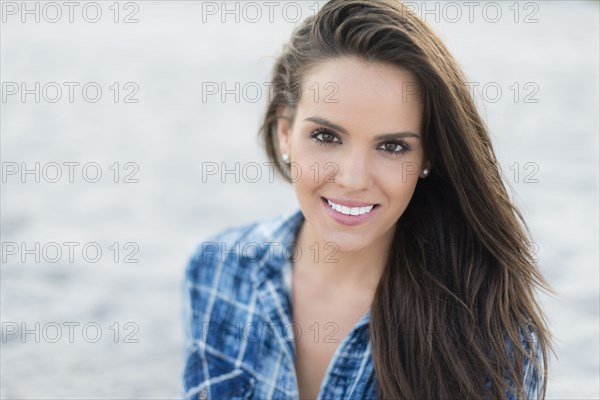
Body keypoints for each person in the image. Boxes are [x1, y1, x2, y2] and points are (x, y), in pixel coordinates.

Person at [182, 0, 554, 399]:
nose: (354, 179)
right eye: (326, 136)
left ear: (428, 155)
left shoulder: (487, 334)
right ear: (285, 132)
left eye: (392, 146)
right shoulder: (219, 272)